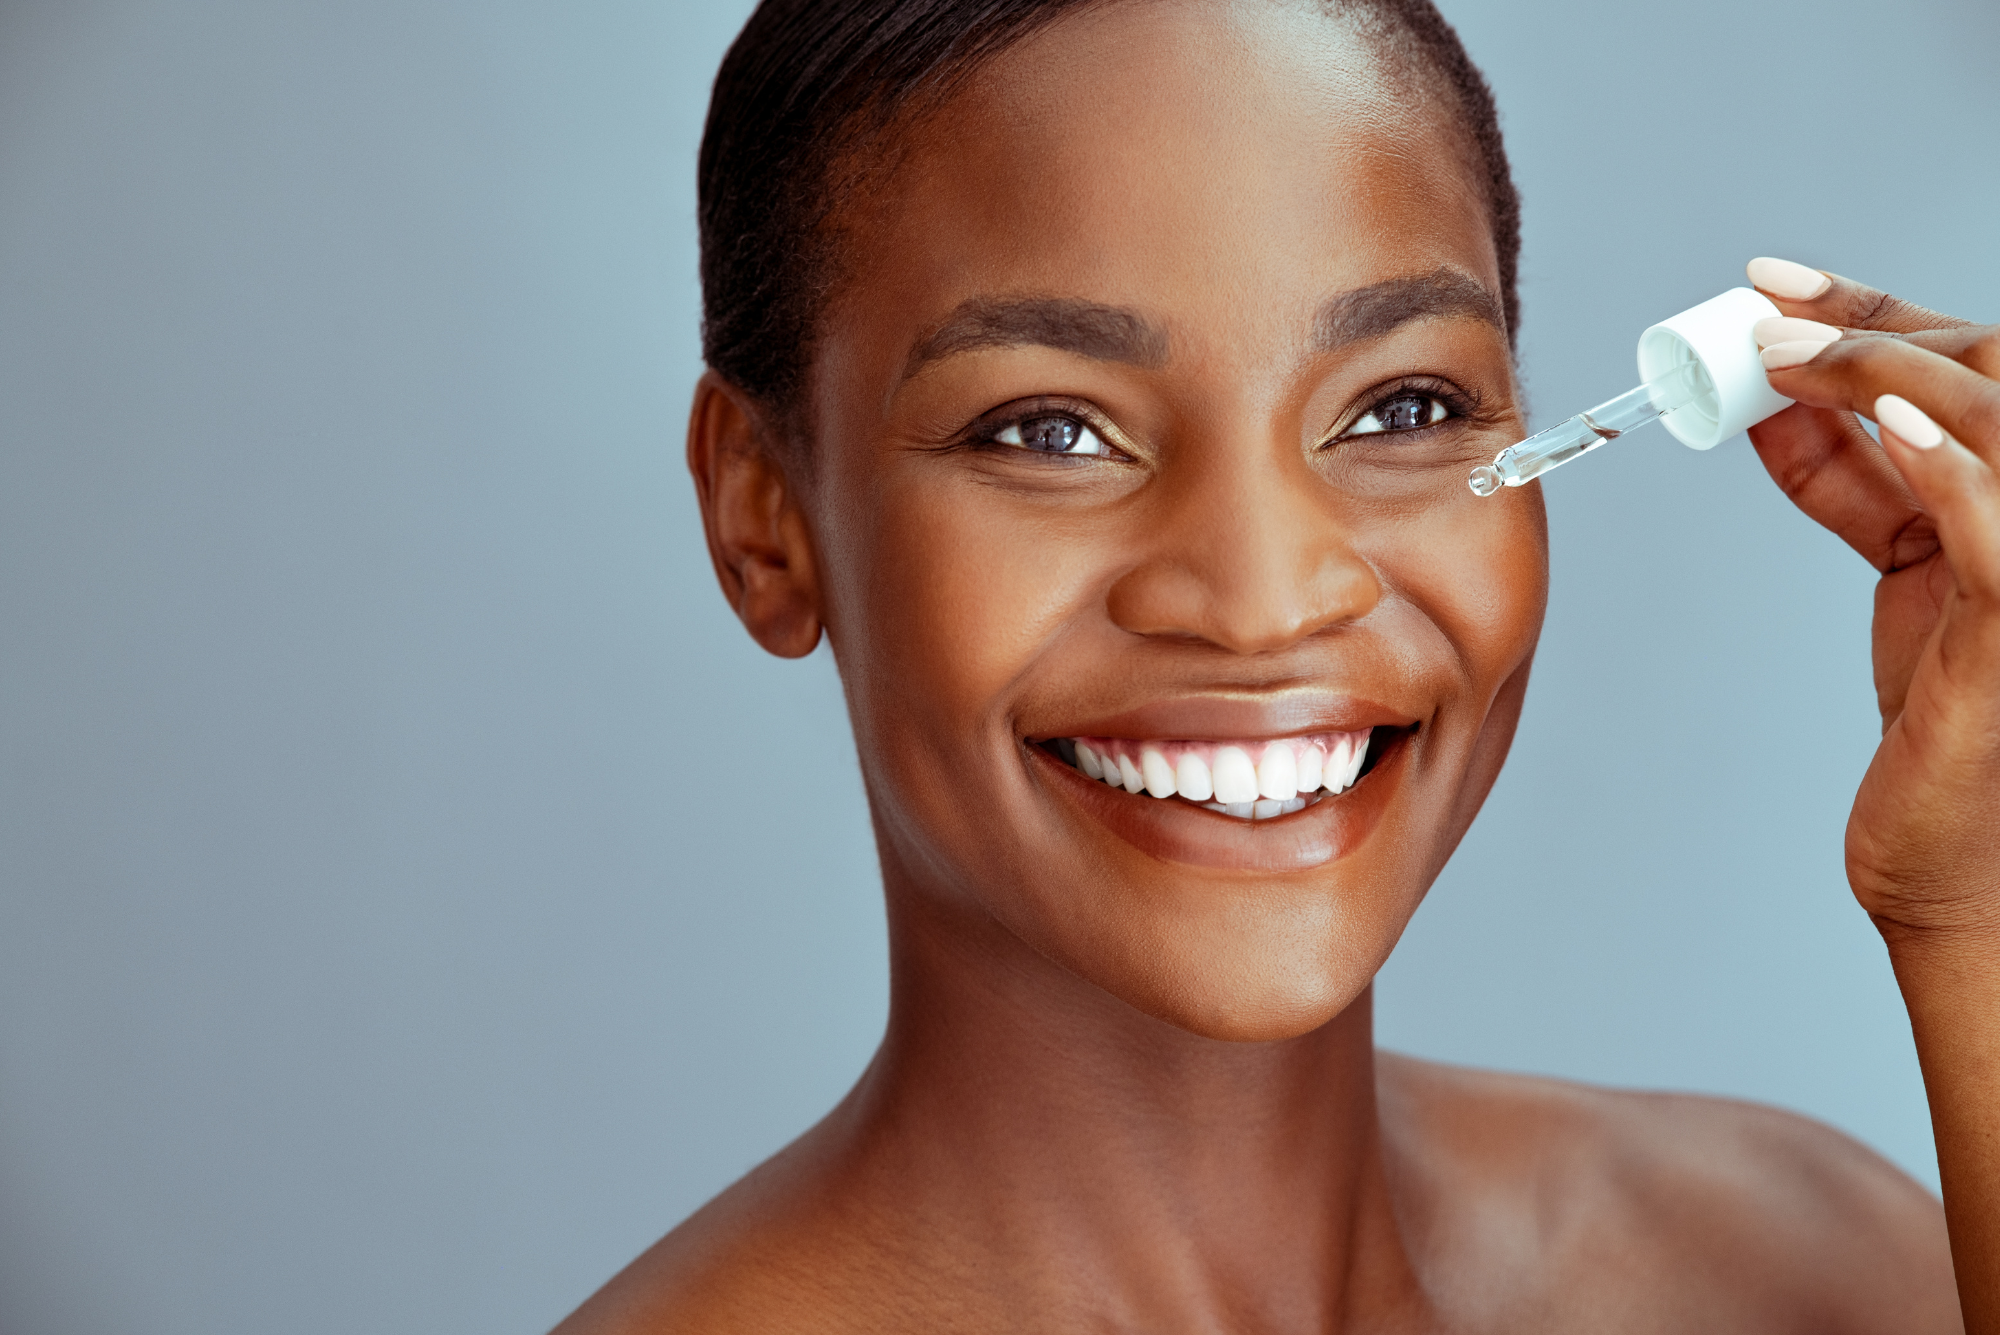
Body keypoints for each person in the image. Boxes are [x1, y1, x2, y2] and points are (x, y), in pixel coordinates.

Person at [556, 0, 1999, 1328]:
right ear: (765, 514)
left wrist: (1978, 919)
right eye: (1050, 429)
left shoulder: (1821, 1269)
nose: (1262, 602)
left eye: (1401, 406)